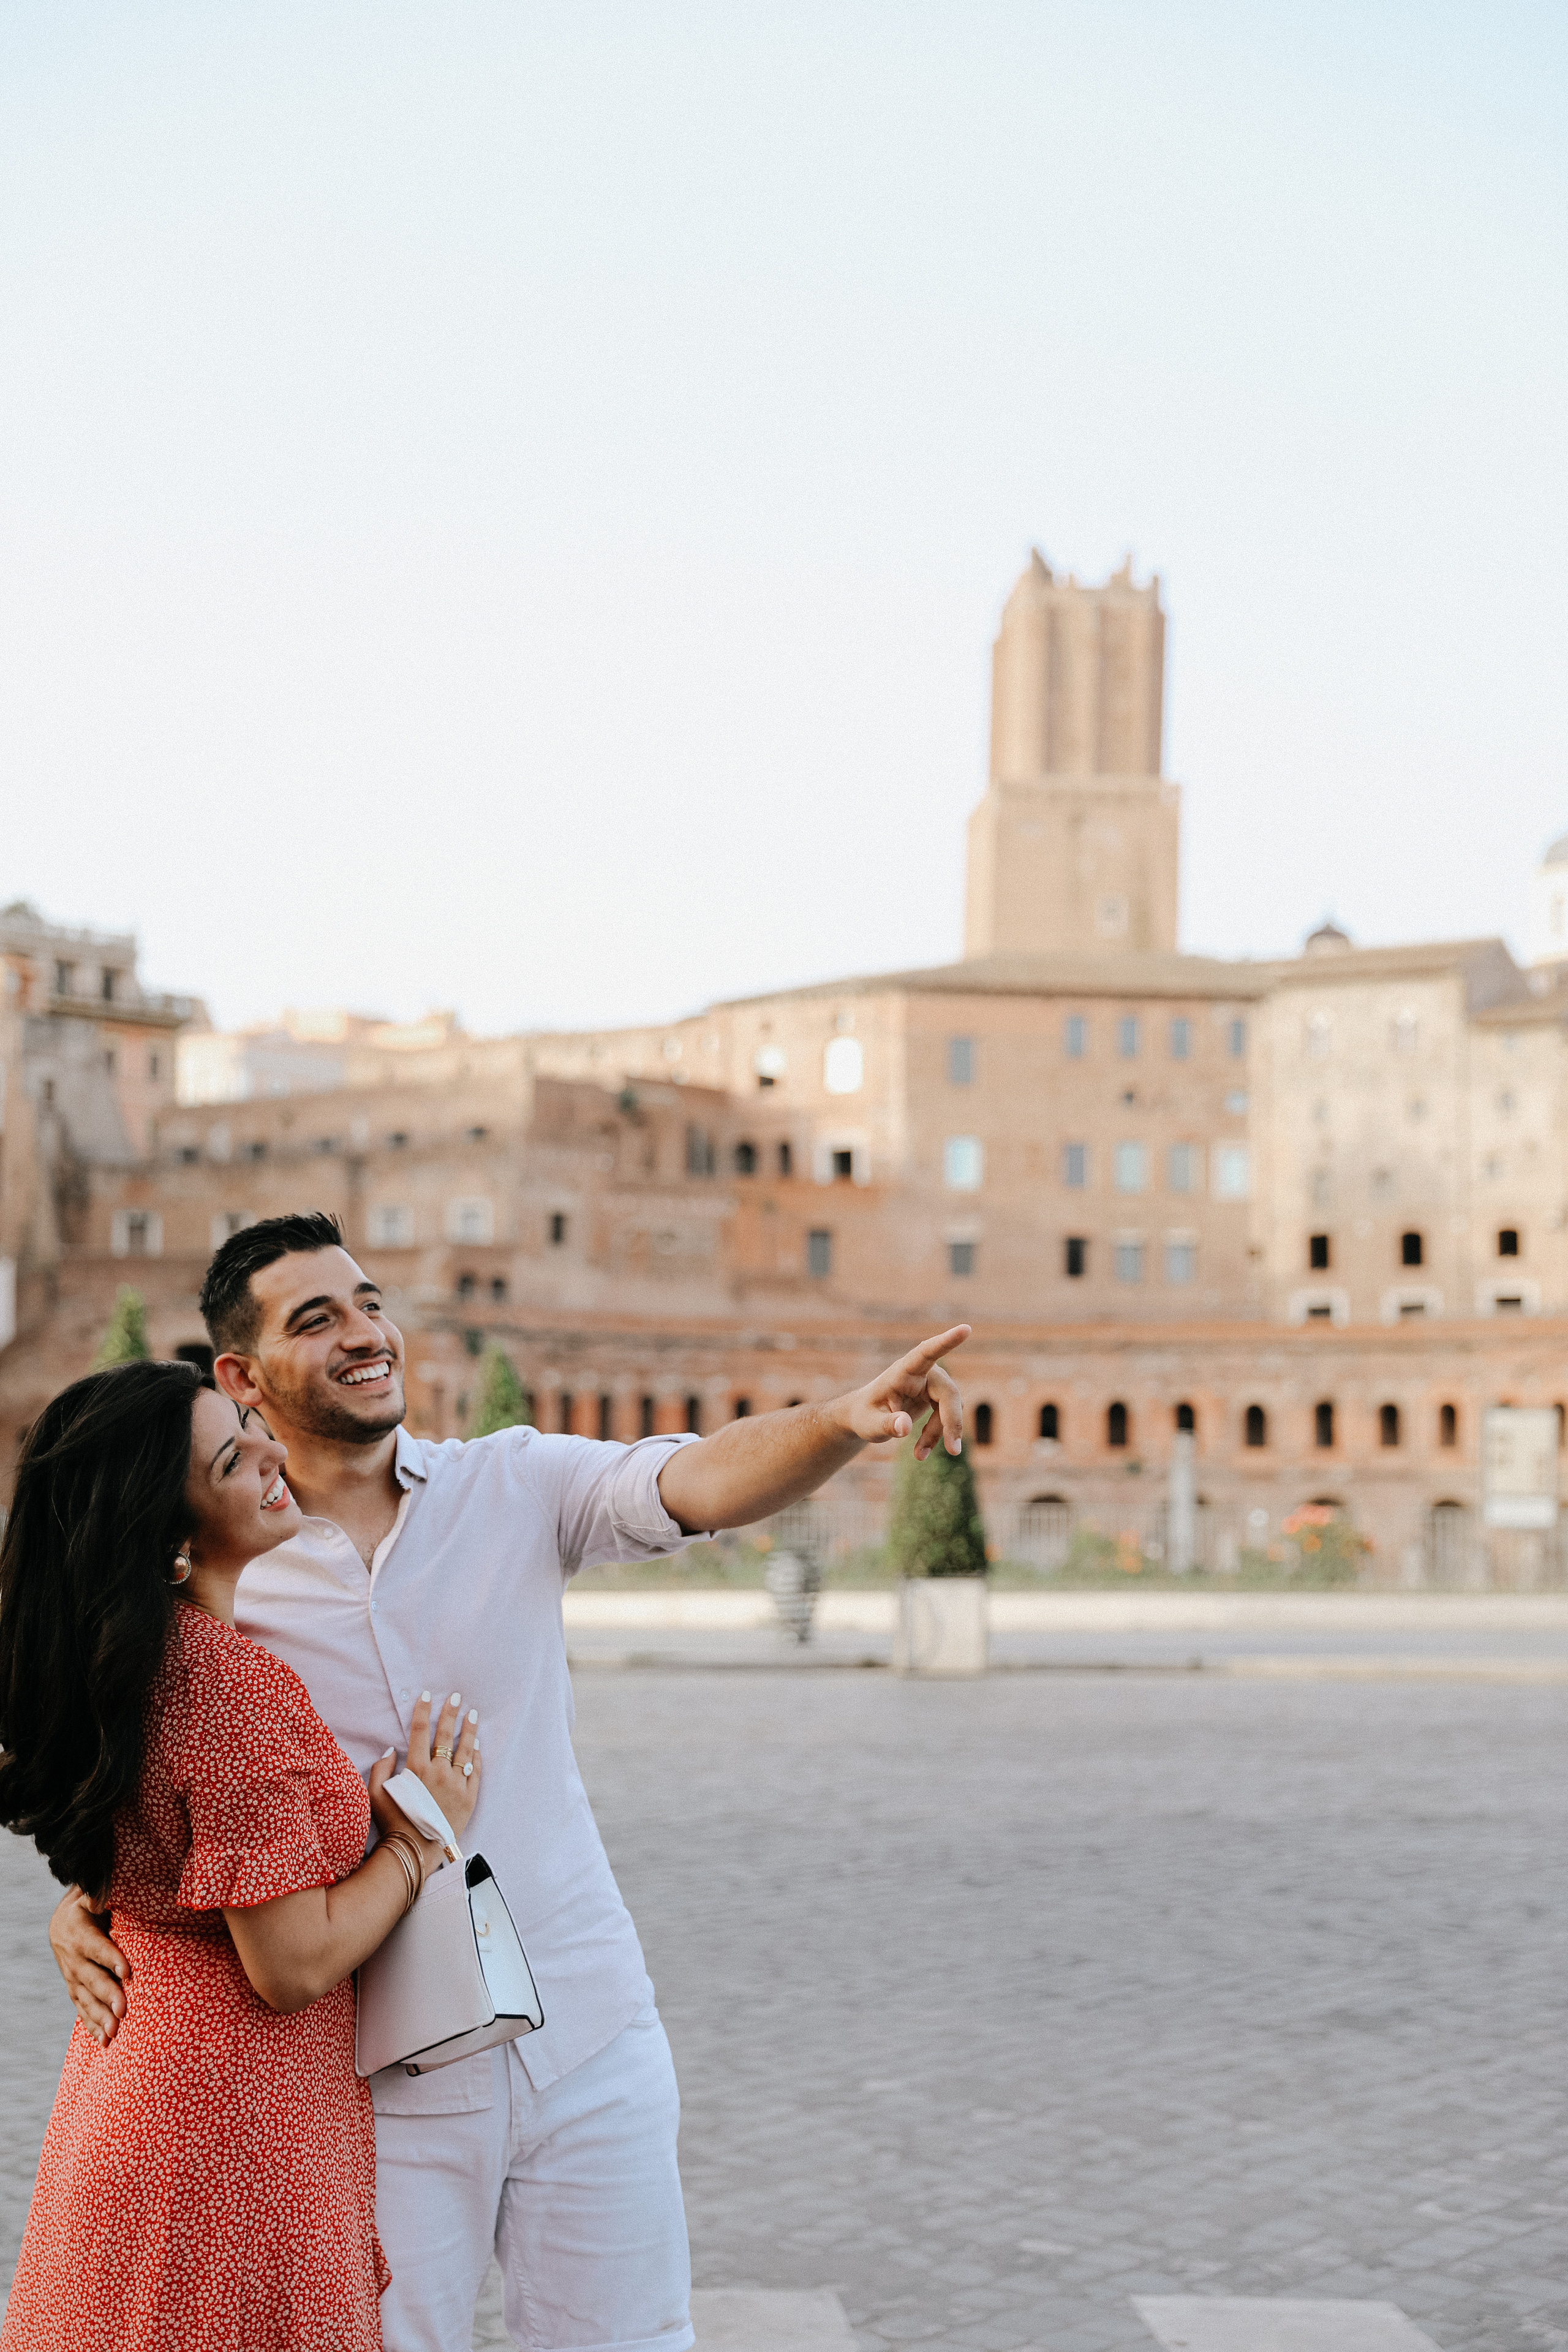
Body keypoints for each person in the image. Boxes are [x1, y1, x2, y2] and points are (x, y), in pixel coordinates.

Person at [50, 1211, 968, 2352]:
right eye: (318, 1318)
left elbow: (690, 1479)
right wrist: (93, 1902)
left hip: (587, 2036)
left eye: (371, 1303)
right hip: (377, 2076)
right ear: (242, 1373)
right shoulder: (226, 1584)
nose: (363, 1333)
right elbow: (141, 1767)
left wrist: (834, 1424)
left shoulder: (515, 1482)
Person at [2, 1358, 479, 2352]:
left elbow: (158, 1868)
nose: (271, 1451)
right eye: (233, 1457)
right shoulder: (230, 1685)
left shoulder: (130, 1670)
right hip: (233, 2131)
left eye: (249, 1425)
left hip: (132, 2093)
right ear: (172, 1538)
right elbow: (289, 1964)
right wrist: (421, 1834)